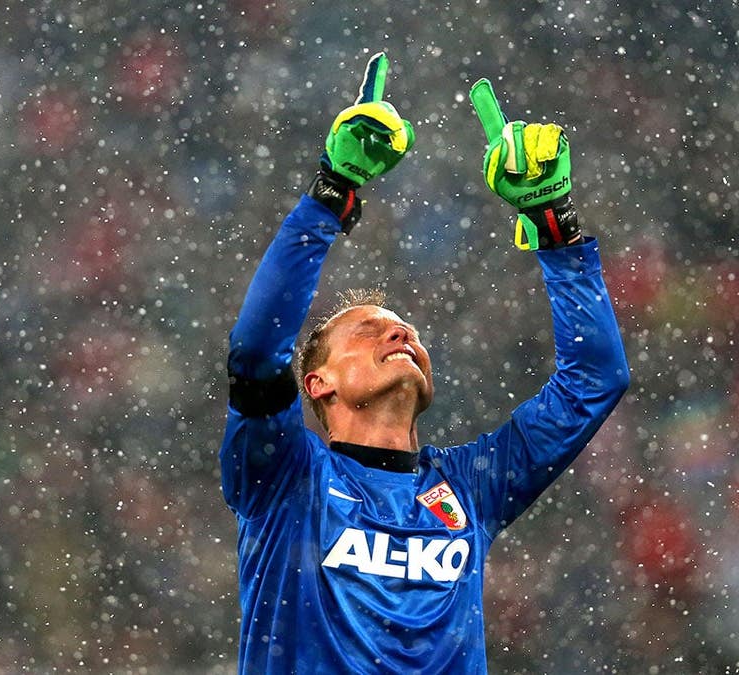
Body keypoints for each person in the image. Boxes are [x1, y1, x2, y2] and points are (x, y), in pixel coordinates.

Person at [219, 53, 630, 673]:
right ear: (317, 383)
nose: (401, 331)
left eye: (405, 328)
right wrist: (332, 192)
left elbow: (595, 380)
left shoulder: (471, 487)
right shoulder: (286, 475)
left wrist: (554, 228)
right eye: (368, 330)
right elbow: (255, 350)